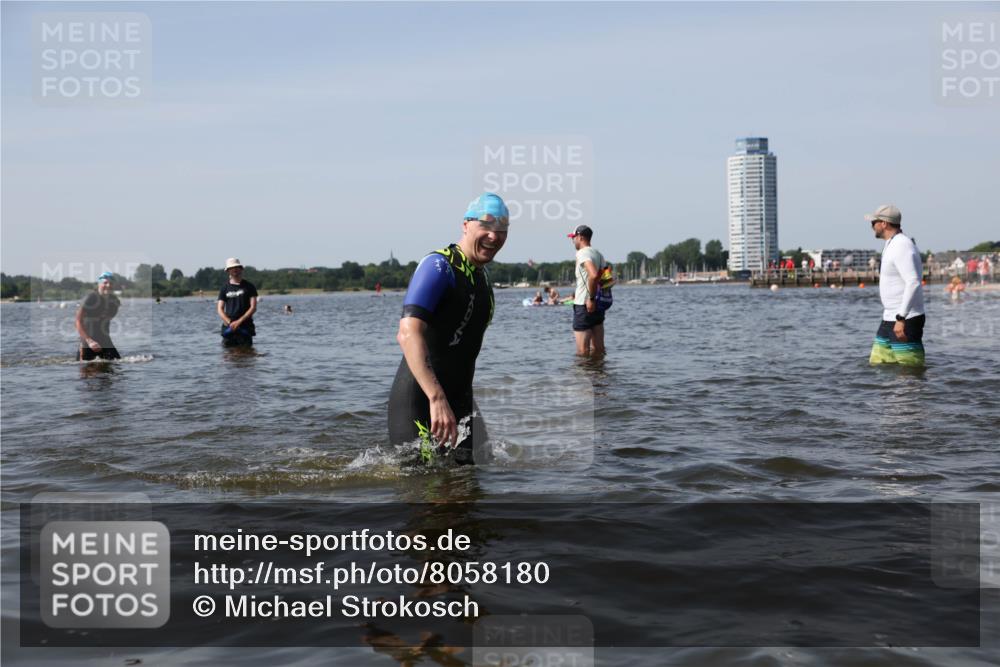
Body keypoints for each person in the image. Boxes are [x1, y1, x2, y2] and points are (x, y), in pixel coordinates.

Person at [388, 192, 508, 464]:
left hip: (460, 401)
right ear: (466, 224)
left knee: (476, 482)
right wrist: (436, 397)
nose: (494, 235)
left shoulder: (482, 279)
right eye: (486, 225)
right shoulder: (439, 266)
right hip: (421, 400)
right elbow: (407, 333)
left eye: (502, 229)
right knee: (427, 490)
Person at [865, 205, 926, 366]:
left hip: (906, 318)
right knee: (878, 364)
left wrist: (901, 318)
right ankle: (886, 392)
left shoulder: (902, 245)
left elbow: (913, 282)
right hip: (889, 317)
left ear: (884, 223)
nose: (871, 226)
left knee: (910, 371)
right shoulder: (890, 243)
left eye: (873, 222)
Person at [568, 224, 607, 356]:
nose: (572, 240)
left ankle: (583, 377)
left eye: (573, 237)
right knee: (599, 349)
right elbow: (608, 280)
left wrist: (590, 298)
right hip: (598, 305)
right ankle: (599, 374)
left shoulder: (582, 253)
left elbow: (594, 275)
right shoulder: (598, 254)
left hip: (584, 304)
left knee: (582, 351)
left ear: (580, 237)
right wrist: (595, 297)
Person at [75, 271, 121, 361]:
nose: (108, 285)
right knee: (88, 371)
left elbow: (109, 318)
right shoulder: (90, 298)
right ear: (99, 284)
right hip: (88, 342)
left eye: (111, 283)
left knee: (117, 367)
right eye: (105, 283)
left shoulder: (114, 301)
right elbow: (78, 321)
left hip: (105, 340)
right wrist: (88, 341)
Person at [216, 258, 258, 347]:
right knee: (228, 357)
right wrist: (229, 322)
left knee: (247, 356)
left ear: (241, 268)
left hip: (245, 326)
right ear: (228, 271)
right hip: (228, 327)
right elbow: (220, 309)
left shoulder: (249, 286)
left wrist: (239, 321)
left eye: (236, 267)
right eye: (231, 268)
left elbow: (253, 307)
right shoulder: (224, 288)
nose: (234, 269)